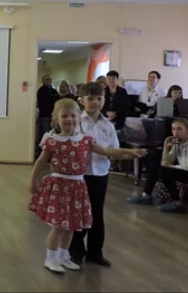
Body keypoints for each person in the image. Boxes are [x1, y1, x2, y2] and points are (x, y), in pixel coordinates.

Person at [29, 98, 144, 273]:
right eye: (64, 116)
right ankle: (50, 258)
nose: (69, 119)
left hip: (77, 187)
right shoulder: (52, 140)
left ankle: (63, 256)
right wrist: (32, 180)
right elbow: (40, 161)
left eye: (73, 115)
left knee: (71, 226)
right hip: (60, 187)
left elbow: (107, 151)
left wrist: (130, 152)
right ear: (56, 119)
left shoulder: (86, 140)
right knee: (59, 226)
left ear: (78, 117)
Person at [69, 82, 132, 268]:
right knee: (79, 213)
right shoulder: (76, 122)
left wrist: (131, 154)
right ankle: (75, 251)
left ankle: (95, 252)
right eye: (90, 98)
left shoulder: (108, 125)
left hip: (100, 174)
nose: (95, 102)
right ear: (82, 100)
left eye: (99, 98)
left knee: (97, 213)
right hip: (80, 176)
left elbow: (114, 149)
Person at [127, 117, 188, 213]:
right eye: (173, 129)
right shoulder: (177, 141)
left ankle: (177, 202)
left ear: (187, 130)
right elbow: (168, 160)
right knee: (156, 164)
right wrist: (166, 148)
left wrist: (170, 166)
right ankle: (146, 195)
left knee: (164, 172)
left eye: (179, 129)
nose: (176, 132)